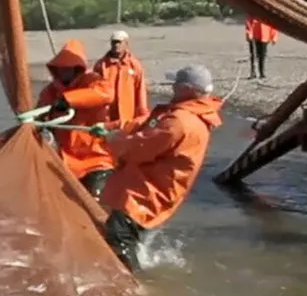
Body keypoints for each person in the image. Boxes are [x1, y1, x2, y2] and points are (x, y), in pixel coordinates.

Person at [90, 64, 223, 272]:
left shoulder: (179, 122)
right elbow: (146, 125)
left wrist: (112, 140)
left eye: (176, 84)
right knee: (128, 236)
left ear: (186, 89)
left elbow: (139, 148)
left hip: (147, 192)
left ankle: (135, 287)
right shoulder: (192, 115)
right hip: (155, 187)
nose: (172, 87)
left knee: (119, 236)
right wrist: (112, 128)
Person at [36, 39, 115, 199]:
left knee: (97, 203)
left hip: (96, 158)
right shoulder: (50, 92)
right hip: (64, 161)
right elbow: (38, 116)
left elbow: (105, 94)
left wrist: (68, 100)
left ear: (77, 69)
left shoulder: (92, 81)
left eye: (69, 68)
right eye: (61, 68)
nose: (64, 72)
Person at [93, 29, 148, 125]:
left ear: (126, 44)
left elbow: (140, 90)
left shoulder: (134, 65)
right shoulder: (101, 65)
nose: (116, 45)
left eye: (119, 42)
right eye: (114, 42)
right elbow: (94, 90)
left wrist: (142, 113)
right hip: (107, 114)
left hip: (127, 114)